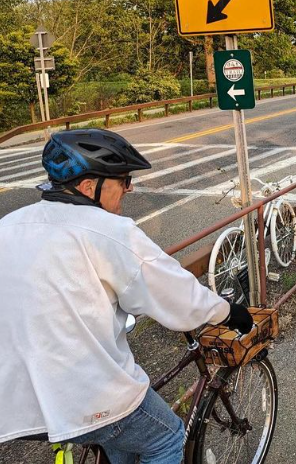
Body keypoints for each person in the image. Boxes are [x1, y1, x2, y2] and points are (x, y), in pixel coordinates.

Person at [0, 129, 253, 463]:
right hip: (81, 396)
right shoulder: (108, 231)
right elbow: (172, 290)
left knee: (121, 440)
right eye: (122, 180)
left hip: (16, 399)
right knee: (165, 437)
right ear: (89, 187)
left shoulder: (9, 224)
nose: (129, 188)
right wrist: (227, 312)